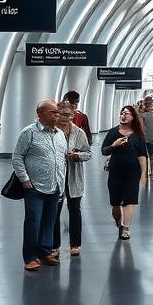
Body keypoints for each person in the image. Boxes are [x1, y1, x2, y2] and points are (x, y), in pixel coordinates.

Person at [13, 100, 67, 270]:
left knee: (49, 221)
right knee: (33, 221)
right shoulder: (28, 133)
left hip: (55, 185)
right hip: (34, 186)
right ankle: (30, 257)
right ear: (40, 113)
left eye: (57, 112)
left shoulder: (60, 134)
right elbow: (17, 157)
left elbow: (61, 159)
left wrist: (62, 181)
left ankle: (45, 251)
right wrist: (24, 179)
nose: (57, 115)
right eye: (53, 112)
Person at [101, 105, 147, 239]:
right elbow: (104, 151)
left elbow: (142, 155)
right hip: (115, 172)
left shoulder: (138, 135)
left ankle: (126, 228)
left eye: (127, 114)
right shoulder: (113, 132)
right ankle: (118, 222)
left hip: (133, 173)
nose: (124, 115)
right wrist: (114, 145)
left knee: (129, 201)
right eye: (122, 113)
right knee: (115, 204)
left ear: (133, 117)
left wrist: (144, 174)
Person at [52, 101, 91, 258]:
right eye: (61, 114)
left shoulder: (79, 132)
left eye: (68, 115)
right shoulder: (51, 131)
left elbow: (88, 153)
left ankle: (75, 244)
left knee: (75, 210)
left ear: (73, 115)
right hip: (55, 177)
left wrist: (77, 156)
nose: (64, 118)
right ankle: (54, 245)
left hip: (74, 176)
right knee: (55, 211)